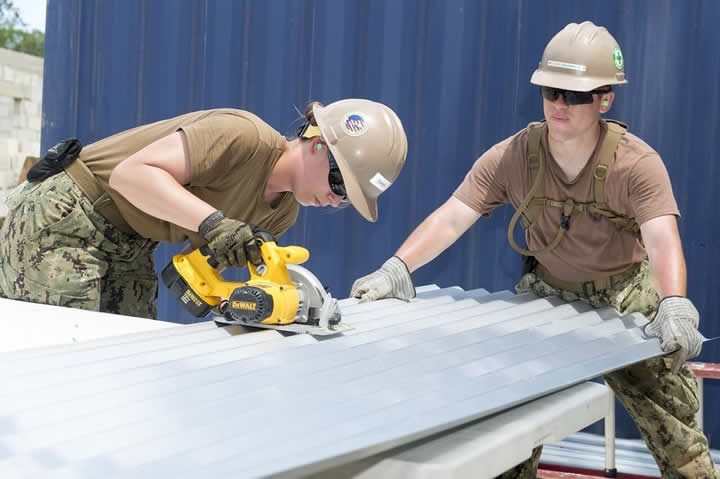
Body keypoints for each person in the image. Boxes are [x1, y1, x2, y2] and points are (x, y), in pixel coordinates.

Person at [351, 21, 717, 478]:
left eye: (576, 94)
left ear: (605, 98)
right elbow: (453, 215)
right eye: (551, 91)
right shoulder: (514, 156)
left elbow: (663, 239)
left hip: (626, 297)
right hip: (546, 294)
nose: (560, 104)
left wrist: (674, 304)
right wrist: (396, 268)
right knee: (507, 427)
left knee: (677, 434)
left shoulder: (636, 164)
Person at [0, 98, 408, 320]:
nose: (336, 200)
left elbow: (190, 274)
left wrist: (246, 300)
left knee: (126, 362)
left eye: (347, 199)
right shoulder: (243, 136)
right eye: (340, 183)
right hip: (67, 215)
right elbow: (130, 175)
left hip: (131, 242)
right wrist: (214, 224)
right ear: (319, 144)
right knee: (70, 359)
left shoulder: (281, 215)